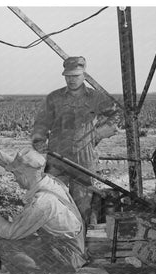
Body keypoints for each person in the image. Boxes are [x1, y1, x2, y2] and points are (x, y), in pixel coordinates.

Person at [0, 130, 87, 274]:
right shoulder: (45, 178)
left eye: (15, 176)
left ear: (24, 175)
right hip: (61, 243)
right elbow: (9, 162)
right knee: (14, 239)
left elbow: (8, 232)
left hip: (67, 256)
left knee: (6, 245)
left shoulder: (42, 203)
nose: (14, 179)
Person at [31, 56, 119, 224]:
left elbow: (116, 116)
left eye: (75, 75)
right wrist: (38, 139)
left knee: (82, 205)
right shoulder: (54, 98)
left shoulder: (96, 98)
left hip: (84, 159)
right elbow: (41, 122)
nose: (71, 79)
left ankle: (80, 245)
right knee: (53, 201)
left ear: (84, 75)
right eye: (68, 76)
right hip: (57, 158)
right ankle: (58, 243)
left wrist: (99, 133)